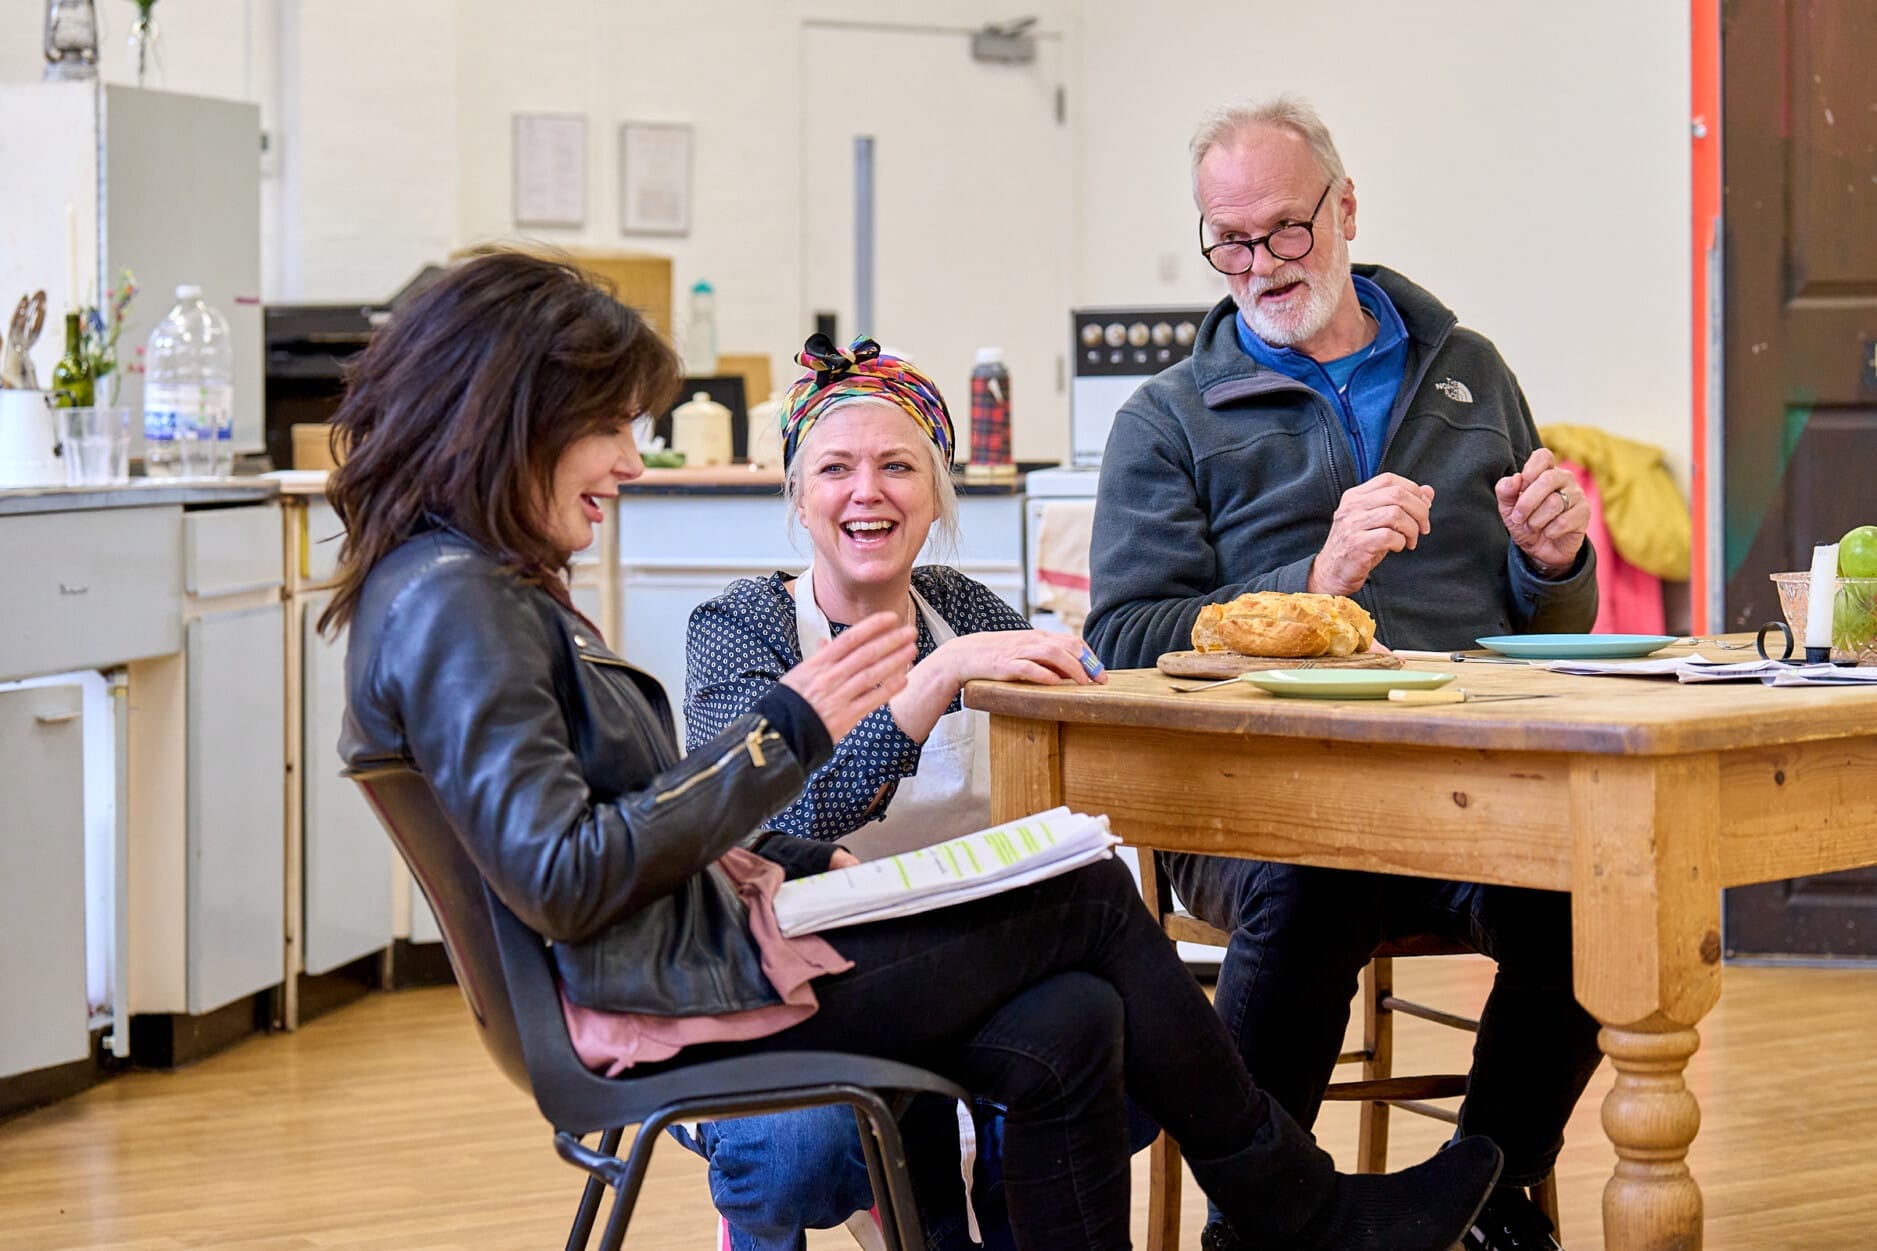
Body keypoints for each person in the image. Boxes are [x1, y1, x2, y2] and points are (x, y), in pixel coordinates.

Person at [325, 249, 1505, 1251]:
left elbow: (599, 842)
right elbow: (569, 874)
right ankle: (1294, 1211)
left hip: (690, 959)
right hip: (670, 991)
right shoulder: (462, 604)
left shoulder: (453, 588)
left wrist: (785, 836)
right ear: (516, 416)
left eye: (896, 467)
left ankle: (1282, 1204)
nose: (631, 462)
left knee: (1072, 1022)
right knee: (1089, 905)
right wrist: (791, 734)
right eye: (609, 427)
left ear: (936, 494)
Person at [1082, 98, 1602, 1251]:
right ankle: (1264, 1221)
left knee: (1595, 889)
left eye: (1283, 230)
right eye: (1229, 241)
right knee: (1310, 877)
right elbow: (1122, 637)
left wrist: (1553, 561)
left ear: (1345, 207)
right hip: (1252, 808)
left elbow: (1555, 619)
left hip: (1465, 793)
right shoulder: (1166, 420)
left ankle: (1489, 1198)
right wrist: (1310, 580)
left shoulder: (1466, 369)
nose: (1258, 265)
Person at [681, 335, 1118, 1250]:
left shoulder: (963, 607)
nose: (866, 491)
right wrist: (931, 684)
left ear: (936, 496)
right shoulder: (742, 624)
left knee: (1105, 1048)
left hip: (958, 974)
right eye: (834, 468)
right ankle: (774, 1215)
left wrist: (1081, 664)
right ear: (800, 498)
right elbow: (770, 825)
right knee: (795, 1153)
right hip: (790, 986)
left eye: (897, 466)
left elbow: (1089, 701)